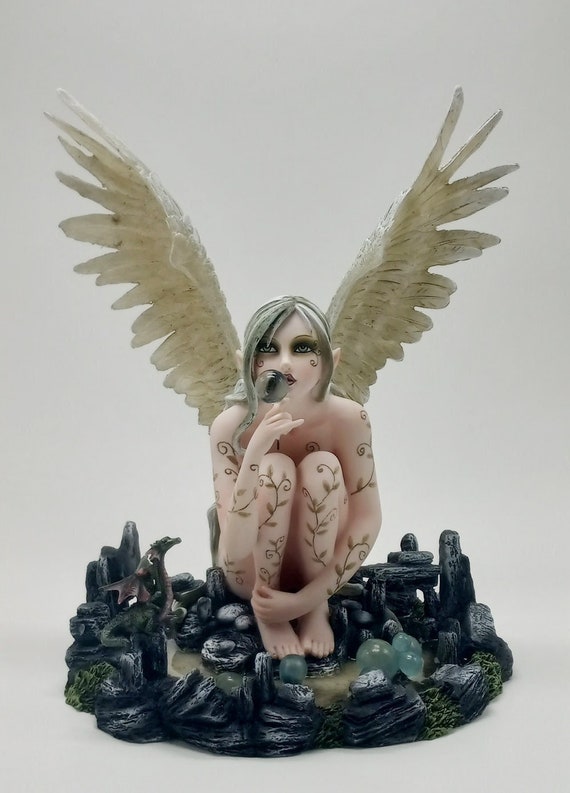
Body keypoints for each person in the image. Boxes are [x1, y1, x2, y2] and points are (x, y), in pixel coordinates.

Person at [209, 296, 381, 659]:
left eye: (302, 348)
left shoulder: (349, 419)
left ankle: (314, 611)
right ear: (246, 361)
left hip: (320, 570)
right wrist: (255, 450)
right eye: (268, 348)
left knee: (322, 468)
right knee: (275, 469)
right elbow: (235, 548)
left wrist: (310, 599)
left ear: (331, 359)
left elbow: (367, 518)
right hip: (249, 573)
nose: (285, 362)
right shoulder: (229, 426)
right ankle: (266, 608)